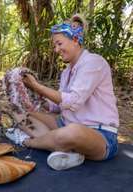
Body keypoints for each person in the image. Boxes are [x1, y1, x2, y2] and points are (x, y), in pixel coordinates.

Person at [6, 16, 119, 171]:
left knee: (71, 133)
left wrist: (37, 86)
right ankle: (66, 149)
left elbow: (72, 101)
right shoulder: (66, 72)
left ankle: (27, 141)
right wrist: (32, 92)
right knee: (19, 112)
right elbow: (57, 106)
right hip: (65, 124)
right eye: (54, 45)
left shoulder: (94, 62)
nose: (56, 50)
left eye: (59, 43)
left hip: (100, 134)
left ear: (75, 40)